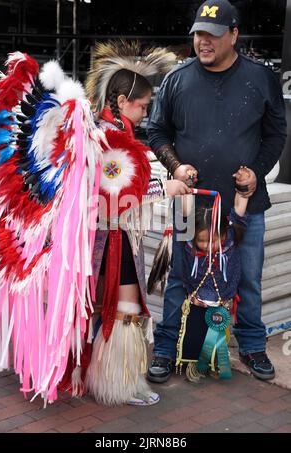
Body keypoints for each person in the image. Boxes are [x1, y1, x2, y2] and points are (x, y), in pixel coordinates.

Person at [146, 0, 287, 383]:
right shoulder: (178, 79)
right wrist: (175, 166)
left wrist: (256, 173)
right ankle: (165, 348)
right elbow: (157, 132)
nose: (203, 42)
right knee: (179, 276)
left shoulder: (261, 78)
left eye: (213, 35)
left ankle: (253, 346)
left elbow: (276, 134)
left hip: (245, 202)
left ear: (234, 35)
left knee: (248, 278)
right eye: (198, 35)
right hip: (193, 205)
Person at [59, 41, 191, 406]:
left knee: (115, 307)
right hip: (111, 239)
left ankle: (110, 378)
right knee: (125, 307)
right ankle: (121, 384)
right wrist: (167, 185)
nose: (146, 113)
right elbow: (118, 193)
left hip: (113, 237)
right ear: (121, 101)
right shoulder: (108, 137)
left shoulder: (111, 133)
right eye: (143, 106)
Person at [176, 167, 249, 382]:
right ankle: (193, 368)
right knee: (193, 335)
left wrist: (243, 188)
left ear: (225, 234)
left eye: (214, 241)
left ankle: (215, 365)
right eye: (203, 241)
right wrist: (188, 187)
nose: (208, 246)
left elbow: (239, 212)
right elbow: (185, 215)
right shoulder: (189, 245)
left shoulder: (231, 242)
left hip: (221, 302)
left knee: (217, 337)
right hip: (197, 302)